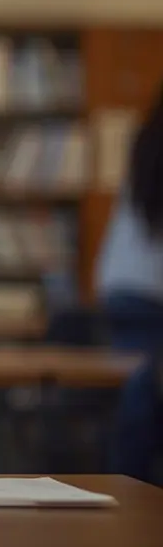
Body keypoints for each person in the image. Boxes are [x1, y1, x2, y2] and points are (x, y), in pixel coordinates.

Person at [95, 85, 163, 484]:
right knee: (145, 389)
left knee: (137, 392)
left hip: (122, 291)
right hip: (154, 298)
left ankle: (127, 487)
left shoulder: (145, 140)